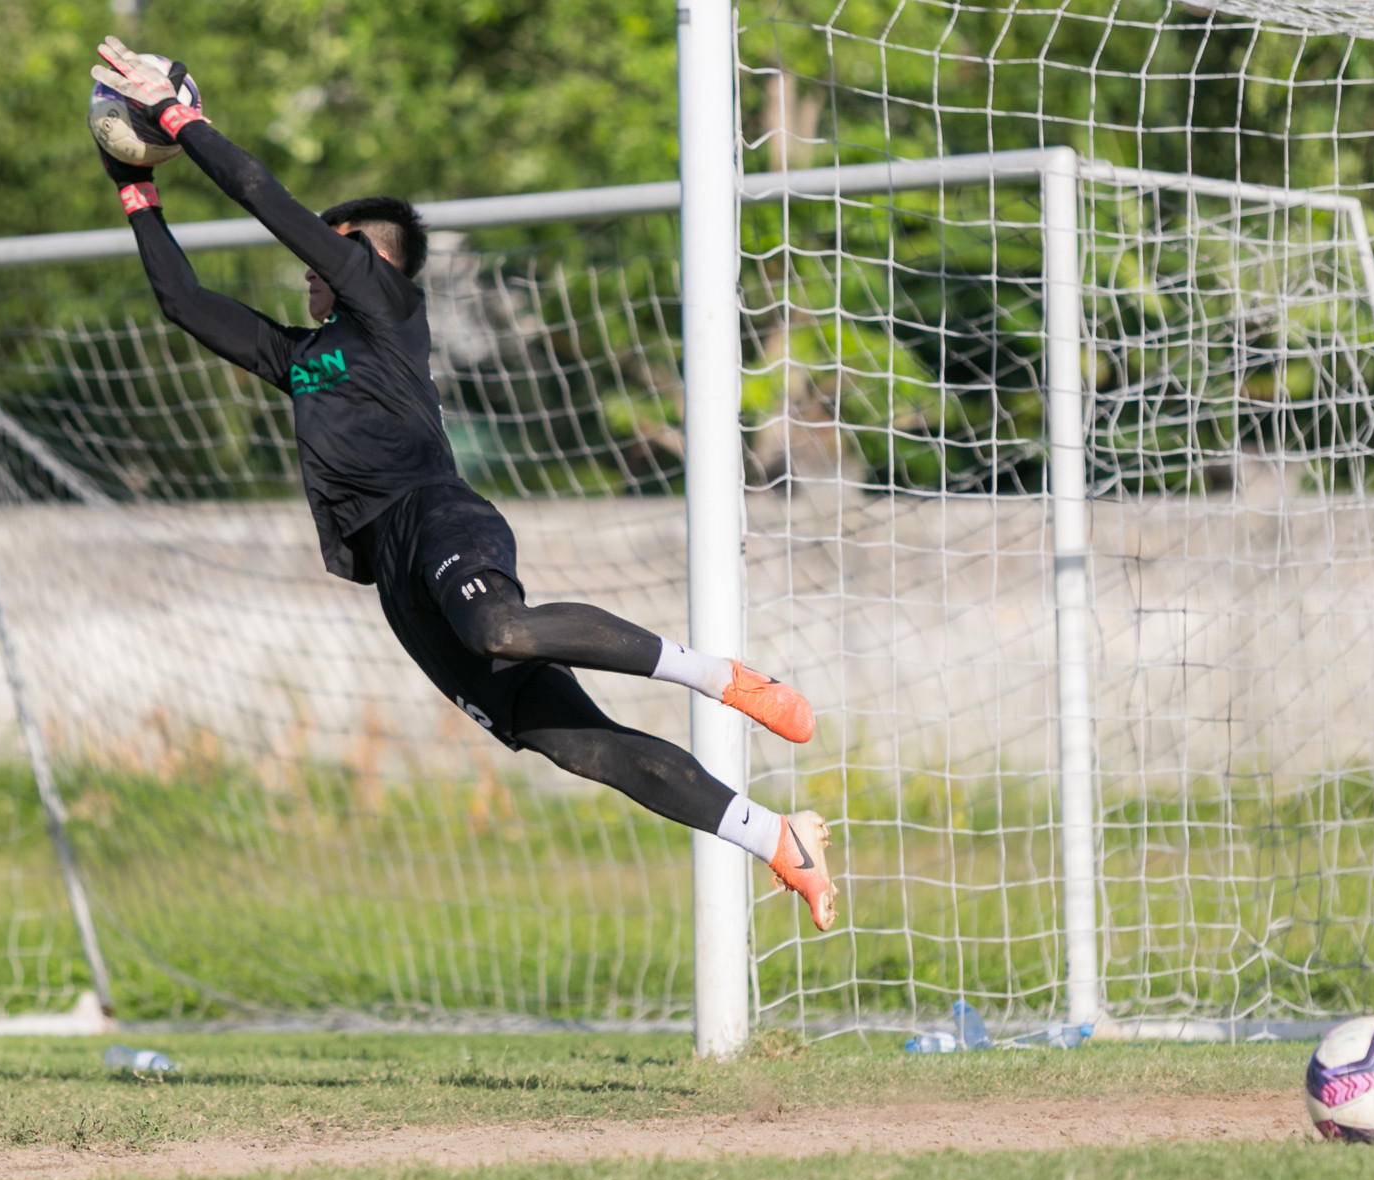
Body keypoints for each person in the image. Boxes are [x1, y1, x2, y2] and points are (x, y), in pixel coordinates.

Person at [88, 39, 838, 928]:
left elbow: (265, 200)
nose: (309, 265)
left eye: (332, 249)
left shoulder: (389, 308)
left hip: (437, 513)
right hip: (391, 574)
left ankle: (721, 677)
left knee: (504, 627)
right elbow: (182, 301)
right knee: (575, 745)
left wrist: (178, 118)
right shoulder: (301, 357)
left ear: (373, 259)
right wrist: (131, 180)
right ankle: (776, 838)